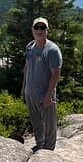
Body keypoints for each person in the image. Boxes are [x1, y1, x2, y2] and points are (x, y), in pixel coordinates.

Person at [22, 16, 62, 151]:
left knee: (50, 124)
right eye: (37, 27)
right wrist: (24, 88)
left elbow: (56, 74)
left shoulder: (52, 50)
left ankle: (49, 149)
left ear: (47, 30)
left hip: (45, 94)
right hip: (31, 93)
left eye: (42, 27)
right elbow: (27, 68)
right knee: (36, 121)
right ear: (32, 30)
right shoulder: (30, 47)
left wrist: (49, 95)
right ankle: (40, 144)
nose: (39, 30)